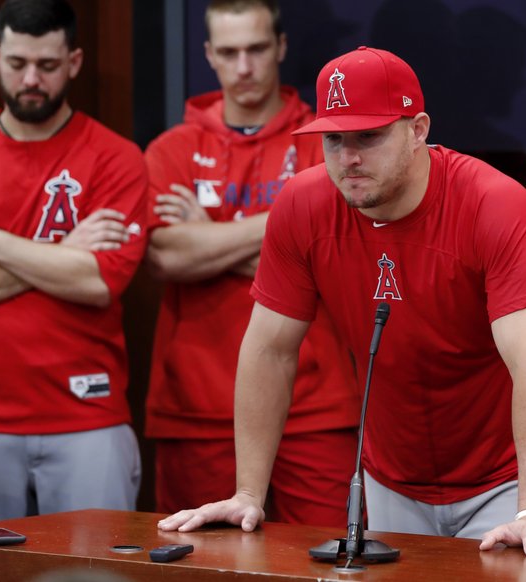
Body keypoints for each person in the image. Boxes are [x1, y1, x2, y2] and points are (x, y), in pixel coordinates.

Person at [158, 46, 526, 558]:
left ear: (418, 129)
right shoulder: (302, 205)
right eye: (334, 139)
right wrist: (248, 491)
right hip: (390, 479)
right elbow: (269, 349)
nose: (349, 158)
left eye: (369, 136)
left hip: (506, 477)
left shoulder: (493, 203)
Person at [144, 0, 360, 526]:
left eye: (257, 49)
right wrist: (289, 222)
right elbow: (166, 254)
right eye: (229, 52)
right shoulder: (173, 148)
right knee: (202, 563)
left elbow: (339, 260)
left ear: (281, 48)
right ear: (208, 56)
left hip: (317, 406)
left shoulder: (327, 143)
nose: (244, 67)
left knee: (329, 564)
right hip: (197, 407)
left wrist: (211, 237)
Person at [0, 0, 146, 522]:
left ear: (74, 62)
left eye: (48, 65)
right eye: (17, 64)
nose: (31, 79)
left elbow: (101, 281)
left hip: (87, 415)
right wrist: (65, 252)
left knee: (96, 573)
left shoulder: (117, 157)